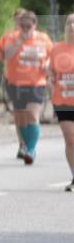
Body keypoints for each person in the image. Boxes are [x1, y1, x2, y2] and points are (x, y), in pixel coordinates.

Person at [0, 9, 52, 164]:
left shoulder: (43, 39)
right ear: (18, 25)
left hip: (36, 83)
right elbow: (5, 56)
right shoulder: (11, 37)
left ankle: (31, 149)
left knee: (33, 115)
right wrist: (19, 41)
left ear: (35, 25)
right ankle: (26, 145)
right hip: (15, 83)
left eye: (29, 26)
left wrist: (48, 66)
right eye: (23, 26)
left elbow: (51, 56)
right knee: (21, 117)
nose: (26, 29)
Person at [48, 13, 74, 191]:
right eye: (69, 23)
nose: (72, 26)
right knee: (69, 138)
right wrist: (50, 80)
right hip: (62, 100)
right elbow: (50, 71)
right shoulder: (56, 49)